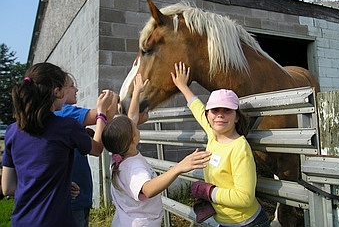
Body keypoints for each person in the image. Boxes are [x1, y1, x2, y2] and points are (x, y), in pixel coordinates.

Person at [1, 62, 113, 227]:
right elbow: (96, 149)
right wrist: (101, 113)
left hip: (22, 221)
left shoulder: (12, 131)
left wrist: (56, 186)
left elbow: (8, 187)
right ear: (57, 91)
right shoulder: (66, 127)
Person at [101, 73, 212, 227]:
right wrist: (178, 168)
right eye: (134, 126)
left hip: (124, 220)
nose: (136, 121)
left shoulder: (119, 155)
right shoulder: (134, 168)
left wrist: (137, 93)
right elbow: (148, 189)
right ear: (133, 138)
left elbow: (131, 117)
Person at [171, 62, 270, 227]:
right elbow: (197, 107)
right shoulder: (213, 133)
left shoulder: (239, 148)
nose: (220, 116)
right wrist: (182, 85)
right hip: (223, 221)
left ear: (236, 116)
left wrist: (209, 192)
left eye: (227, 110)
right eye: (215, 110)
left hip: (247, 223)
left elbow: (245, 197)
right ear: (208, 115)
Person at [55, 74, 119, 227]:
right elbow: (101, 116)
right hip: (72, 199)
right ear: (58, 91)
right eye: (71, 86)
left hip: (75, 195)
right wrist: (114, 99)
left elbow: (103, 118)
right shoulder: (66, 114)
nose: (76, 89)